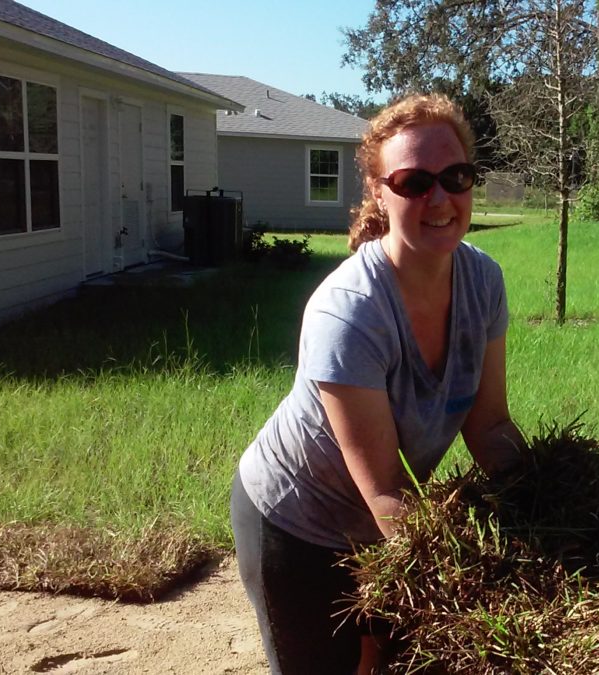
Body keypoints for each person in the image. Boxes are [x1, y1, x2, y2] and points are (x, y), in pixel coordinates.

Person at [229, 94, 524, 674]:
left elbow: (489, 427)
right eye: (414, 182)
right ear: (379, 194)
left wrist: (551, 507)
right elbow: (387, 488)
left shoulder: (483, 280)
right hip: (297, 522)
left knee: (385, 662)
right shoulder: (350, 311)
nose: (439, 198)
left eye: (455, 176)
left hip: (384, 523)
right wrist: (473, 574)